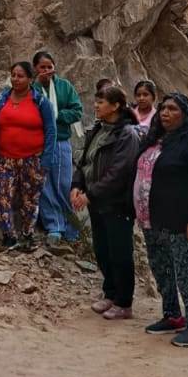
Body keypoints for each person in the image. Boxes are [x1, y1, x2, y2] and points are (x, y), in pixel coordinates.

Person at [135, 93, 188, 347]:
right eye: (162, 109)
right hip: (153, 219)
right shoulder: (157, 141)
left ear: (185, 114)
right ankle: (172, 315)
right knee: (162, 270)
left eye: (172, 109)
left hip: (181, 221)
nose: (165, 113)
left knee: (187, 274)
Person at [71, 86, 140, 320]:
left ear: (116, 106)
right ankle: (110, 293)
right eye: (96, 101)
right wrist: (76, 186)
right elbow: (84, 162)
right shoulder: (98, 130)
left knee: (120, 252)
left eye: (101, 102)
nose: (96, 105)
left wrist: (90, 194)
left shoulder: (127, 135)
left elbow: (118, 173)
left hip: (117, 203)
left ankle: (124, 301)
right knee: (102, 249)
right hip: (97, 201)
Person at [0, 61, 56, 252]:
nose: (16, 79)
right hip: (4, 159)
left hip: (32, 160)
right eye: (13, 75)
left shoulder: (41, 102)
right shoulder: (1, 99)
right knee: (3, 196)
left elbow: (51, 131)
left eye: (20, 76)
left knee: (30, 199)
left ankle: (27, 234)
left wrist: (46, 160)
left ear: (30, 79)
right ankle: (9, 236)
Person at [32, 52, 83, 251]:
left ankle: (70, 226)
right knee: (44, 185)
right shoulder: (32, 89)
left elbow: (77, 110)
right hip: (40, 143)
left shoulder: (64, 87)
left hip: (61, 140)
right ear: (35, 69)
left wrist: (55, 115)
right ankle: (54, 226)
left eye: (49, 67)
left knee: (63, 183)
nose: (46, 71)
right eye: (42, 67)